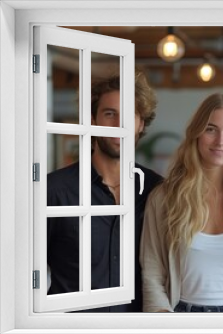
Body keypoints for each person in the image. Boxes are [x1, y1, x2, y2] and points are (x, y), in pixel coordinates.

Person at [140, 93, 223, 313]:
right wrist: (164, 322)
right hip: (177, 318)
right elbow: (152, 271)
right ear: (197, 134)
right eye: (211, 129)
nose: (221, 141)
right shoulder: (164, 198)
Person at [47, 71, 163, 312]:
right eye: (110, 114)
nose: (118, 125)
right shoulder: (54, 191)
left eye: (129, 115)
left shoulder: (158, 191)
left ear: (141, 124)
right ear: (92, 120)